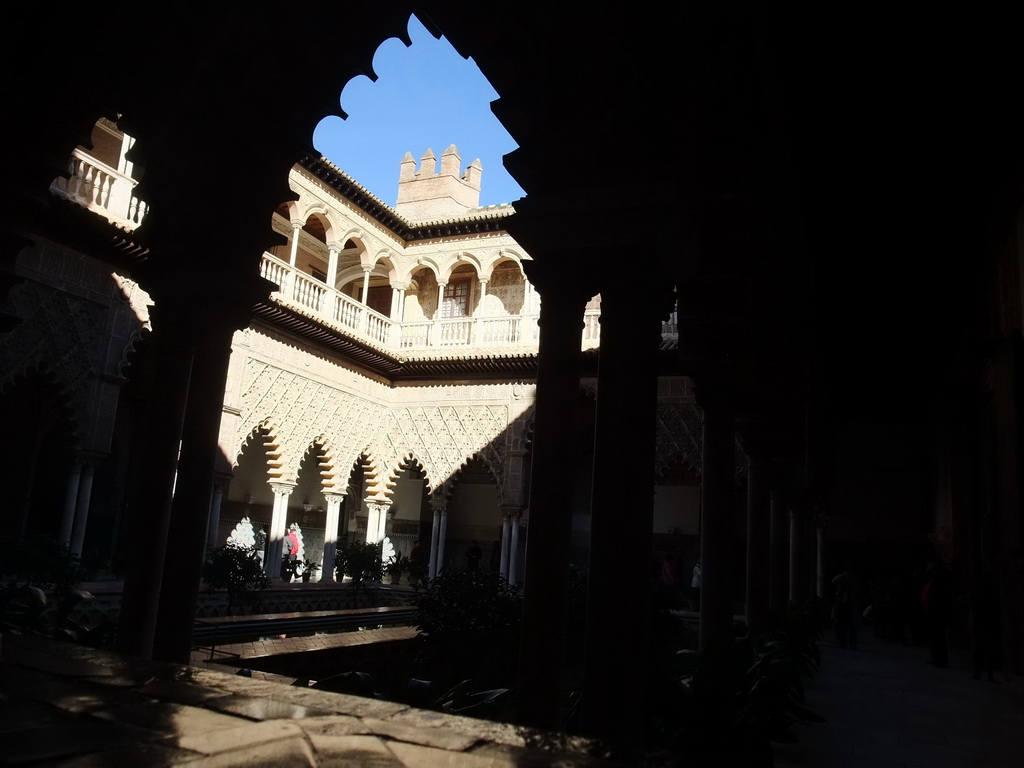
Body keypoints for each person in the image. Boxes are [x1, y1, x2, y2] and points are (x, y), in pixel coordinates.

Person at [921, 558, 951, 667]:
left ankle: (940, 659)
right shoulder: (934, 578)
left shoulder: (939, 579)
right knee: (935, 636)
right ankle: (937, 658)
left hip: (936, 611)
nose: (928, 567)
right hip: (932, 610)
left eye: (930, 565)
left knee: (937, 636)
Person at [832, 563, 863, 650]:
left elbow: (858, 589)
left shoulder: (854, 580)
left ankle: (852, 644)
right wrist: (844, 576)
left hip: (851, 606)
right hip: (842, 606)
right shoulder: (842, 580)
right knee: (842, 626)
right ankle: (844, 643)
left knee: (852, 627)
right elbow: (834, 580)